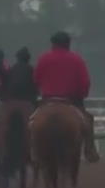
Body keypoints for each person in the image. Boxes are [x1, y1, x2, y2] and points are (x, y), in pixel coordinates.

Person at [32, 30, 99, 162]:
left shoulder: (44, 58)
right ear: (68, 44)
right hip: (72, 100)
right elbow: (85, 82)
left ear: (53, 44)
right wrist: (82, 94)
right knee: (88, 120)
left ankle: (33, 152)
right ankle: (89, 151)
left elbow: (36, 80)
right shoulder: (77, 59)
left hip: (48, 99)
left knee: (31, 123)